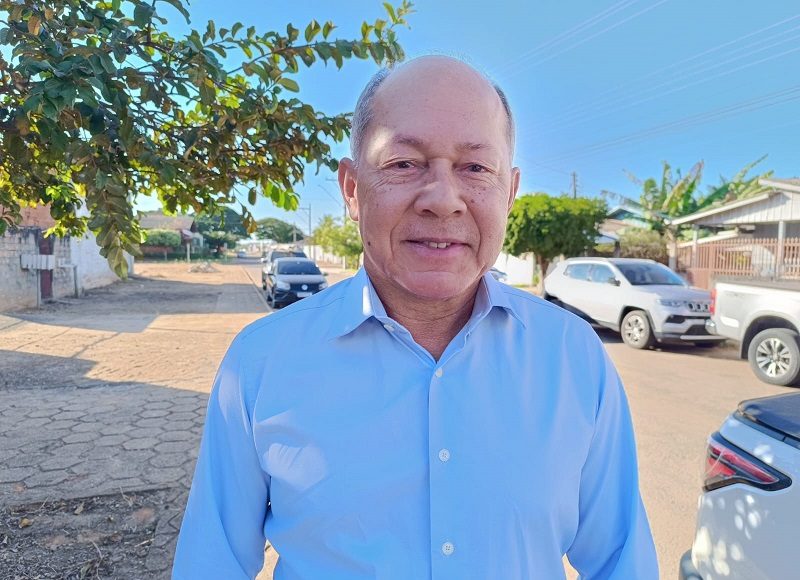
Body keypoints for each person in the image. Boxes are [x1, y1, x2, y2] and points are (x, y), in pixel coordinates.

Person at [172, 56, 658, 579]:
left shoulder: (572, 356)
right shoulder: (262, 362)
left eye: (476, 168)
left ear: (510, 192)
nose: (443, 201)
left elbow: (620, 562)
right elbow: (211, 564)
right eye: (404, 163)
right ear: (352, 189)